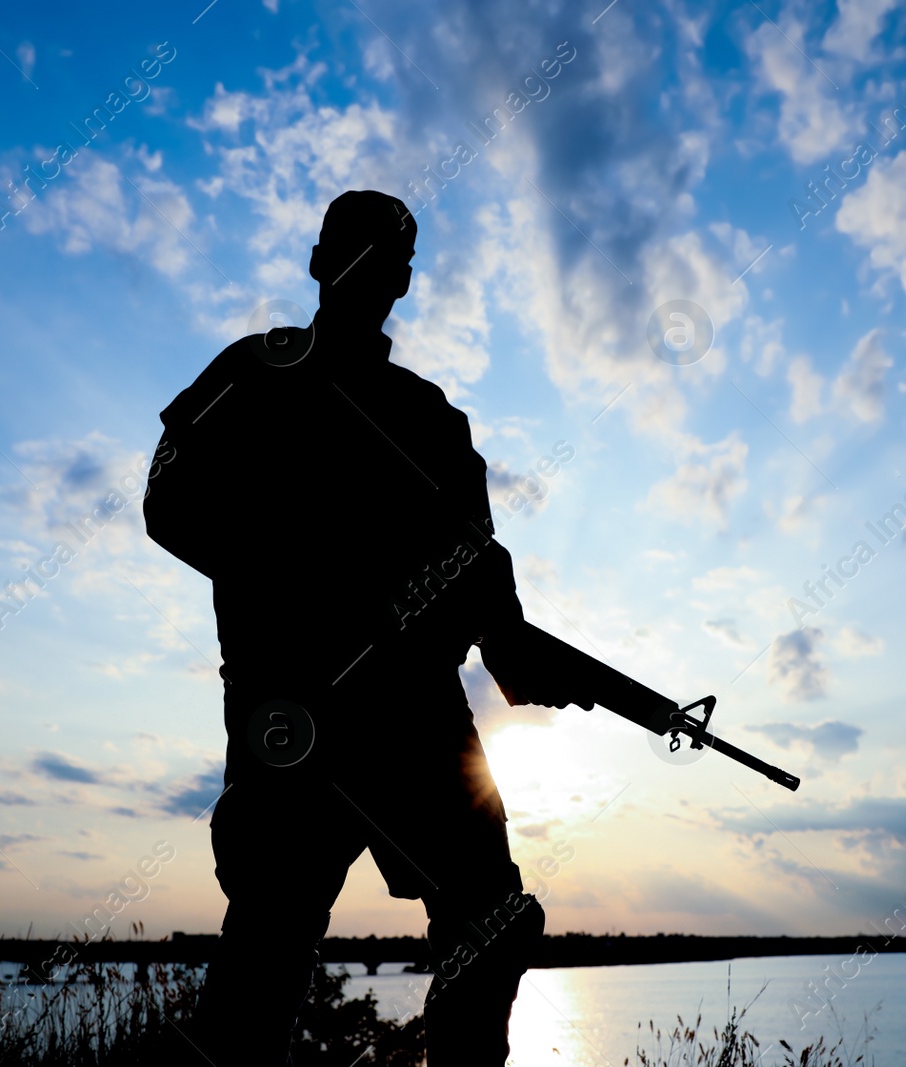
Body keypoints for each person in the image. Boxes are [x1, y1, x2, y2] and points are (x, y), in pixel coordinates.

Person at [145, 189, 589, 1066]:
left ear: (405, 281)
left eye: (388, 257)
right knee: (267, 952)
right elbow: (169, 502)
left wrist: (512, 644)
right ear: (317, 262)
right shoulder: (251, 373)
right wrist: (294, 580)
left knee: (493, 921)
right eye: (352, 251)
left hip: (418, 718)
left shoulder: (432, 417)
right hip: (294, 711)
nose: (368, 270)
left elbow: (480, 569)